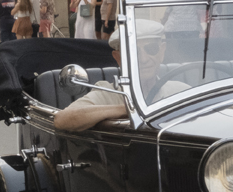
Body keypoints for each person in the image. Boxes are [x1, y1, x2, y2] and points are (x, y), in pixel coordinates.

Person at [55, 20, 189, 131]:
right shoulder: (106, 93)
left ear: (162, 52)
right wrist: (129, 109)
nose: (143, 59)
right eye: (134, 52)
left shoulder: (180, 91)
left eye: (151, 49)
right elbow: (62, 120)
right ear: (118, 58)